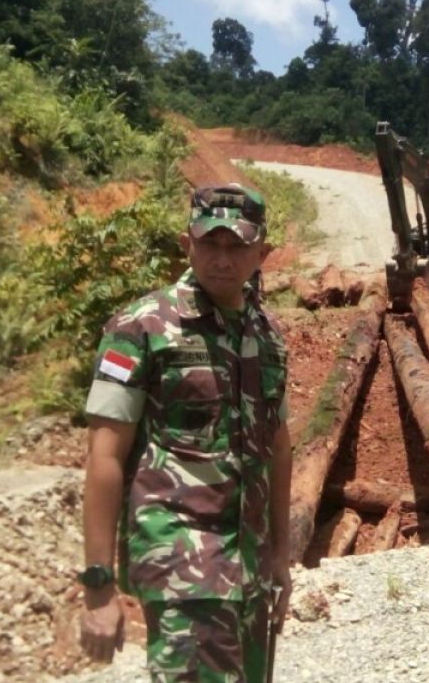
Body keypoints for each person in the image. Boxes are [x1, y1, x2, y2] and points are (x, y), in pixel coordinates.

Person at [78, 183, 292, 683]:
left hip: (251, 575)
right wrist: (97, 585)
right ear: (186, 244)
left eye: (237, 246)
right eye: (209, 244)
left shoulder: (268, 337)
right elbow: (105, 457)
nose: (222, 259)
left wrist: (280, 558)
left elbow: (278, 447)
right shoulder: (141, 328)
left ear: (262, 252)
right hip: (182, 572)